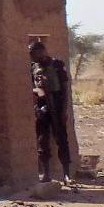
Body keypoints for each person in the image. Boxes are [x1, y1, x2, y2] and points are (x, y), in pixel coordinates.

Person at [29, 41, 72, 182]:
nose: (31, 56)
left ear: (42, 51)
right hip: (42, 107)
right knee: (42, 140)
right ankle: (46, 173)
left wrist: (64, 110)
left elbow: (65, 88)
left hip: (57, 104)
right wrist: (38, 90)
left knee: (61, 139)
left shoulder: (57, 65)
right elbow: (30, 86)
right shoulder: (33, 67)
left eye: (33, 53)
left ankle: (67, 173)